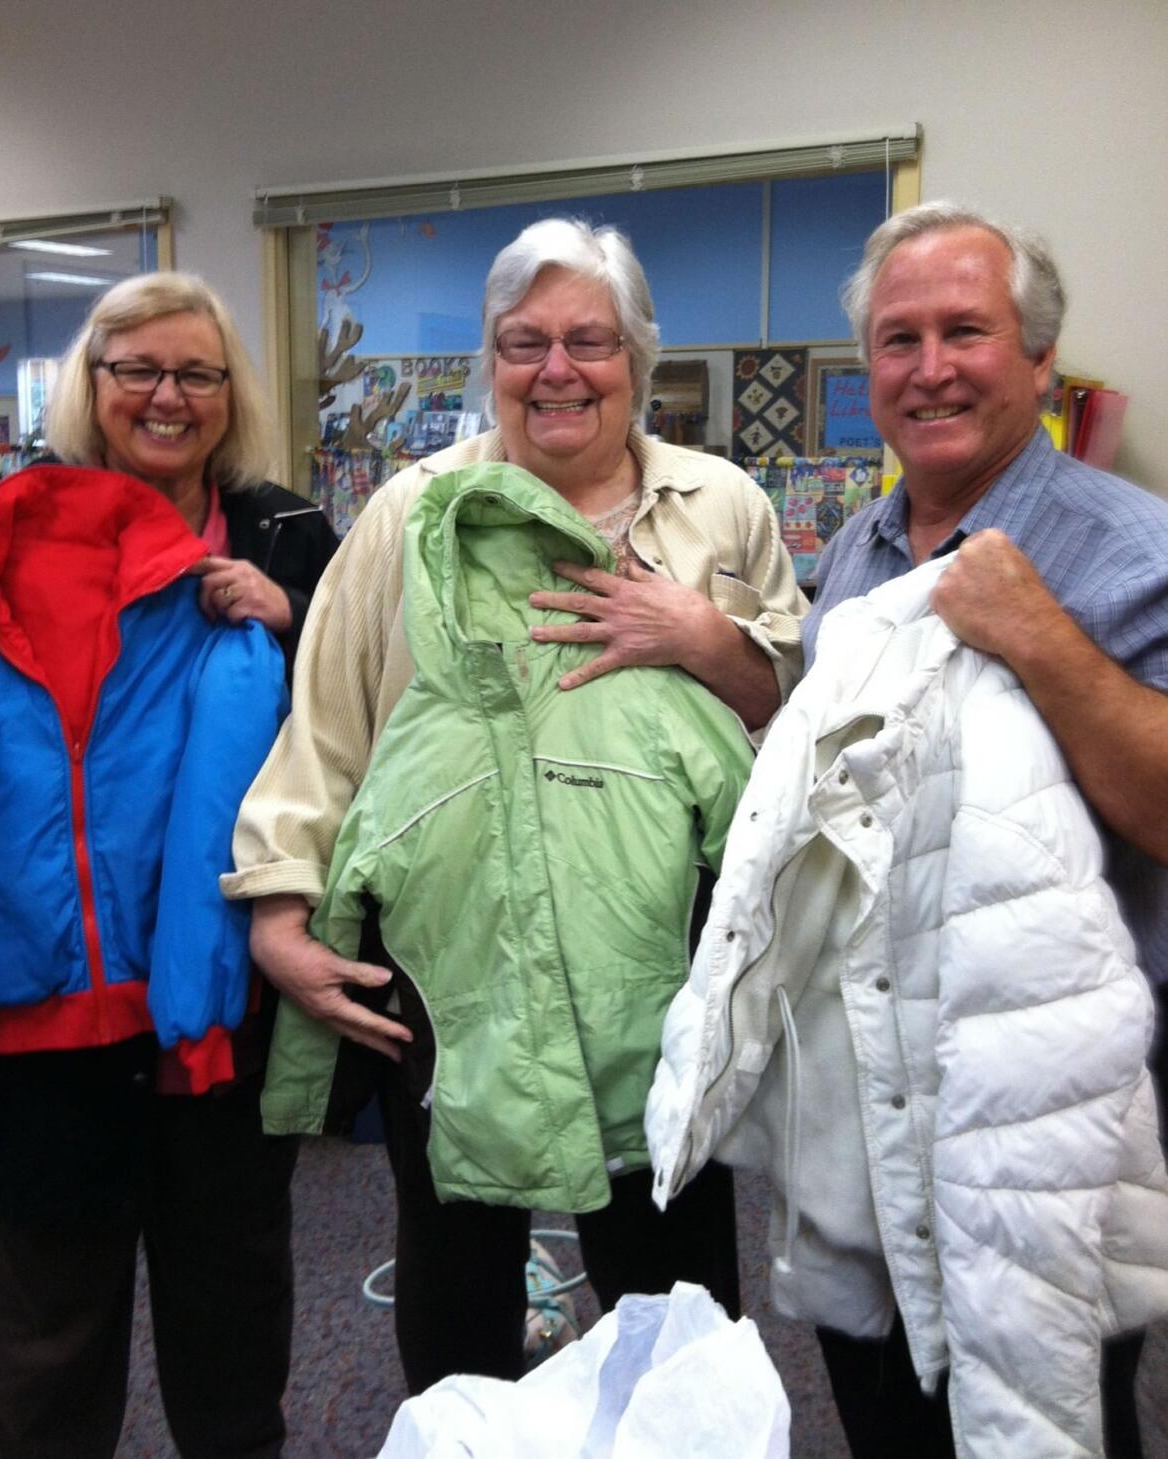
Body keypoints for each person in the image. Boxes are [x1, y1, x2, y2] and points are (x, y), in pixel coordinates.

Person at [222, 217, 807, 1391]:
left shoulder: (719, 507)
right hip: (452, 954)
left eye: (587, 341)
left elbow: (785, 720)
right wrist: (280, 908)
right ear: (490, 360)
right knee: (454, 1265)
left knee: (668, 1265)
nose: (556, 370)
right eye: (522, 342)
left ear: (635, 355)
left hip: (655, 955)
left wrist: (700, 636)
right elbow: (328, 727)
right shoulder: (408, 514)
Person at [0, 271, 338, 1459]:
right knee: (44, 1354)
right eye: (138, 371)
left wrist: (296, 614)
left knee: (230, 1332)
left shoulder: (286, 531)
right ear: (90, 385)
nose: (168, 397)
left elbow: (371, 707)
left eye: (197, 374)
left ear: (230, 394)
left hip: (218, 1011)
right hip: (29, 1020)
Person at [805, 201, 1168, 1459]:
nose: (930, 366)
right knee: (876, 1396)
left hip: (1048, 1101)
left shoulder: (1131, 551)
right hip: (871, 1083)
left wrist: (1035, 630)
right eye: (897, 340)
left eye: (966, 330)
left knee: (1044, 1411)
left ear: (1038, 363)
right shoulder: (852, 553)